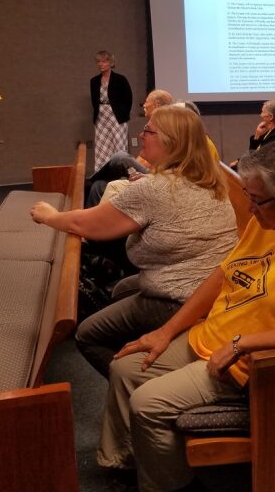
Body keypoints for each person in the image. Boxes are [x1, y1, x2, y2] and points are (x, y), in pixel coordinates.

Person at [97, 140, 275, 492]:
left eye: (258, 200)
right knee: (125, 368)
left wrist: (239, 345)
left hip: (249, 365)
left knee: (147, 403)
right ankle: (140, 469)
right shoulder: (267, 219)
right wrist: (165, 331)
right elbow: (222, 275)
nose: (250, 207)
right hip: (212, 337)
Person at [30, 105, 237, 377]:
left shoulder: (155, 188)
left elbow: (86, 224)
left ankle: (135, 379)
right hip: (213, 289)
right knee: (120, 290)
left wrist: (49, 216)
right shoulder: (211, 180)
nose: (141, 136)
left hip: (181, 297)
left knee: (88, 334)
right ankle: (141, 351)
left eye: (148, 131)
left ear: (171, 142)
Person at [86, 89, 173, 207]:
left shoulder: (168, 127)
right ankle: (91, 218)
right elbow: (143, 160)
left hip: (157, 177)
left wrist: (131, 169)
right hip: (149, 174)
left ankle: (86, 183)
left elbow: (154, 163)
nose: (144, 105)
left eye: (146, 101)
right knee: (98, 185)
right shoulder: (156, 125)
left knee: (121, 158)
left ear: (156, 104)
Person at [90, 50, 133, 174]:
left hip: (117, 115)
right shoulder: (94, 81)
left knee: (119, 144)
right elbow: (94, 101)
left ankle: (123, 172)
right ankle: (101, 173)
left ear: (111, 63)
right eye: (98, 62)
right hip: (101, 116)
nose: (100, 64)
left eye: (104, 61)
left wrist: (123, 113)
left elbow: (128, 98)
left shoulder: (120, 79)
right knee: (102, 146)